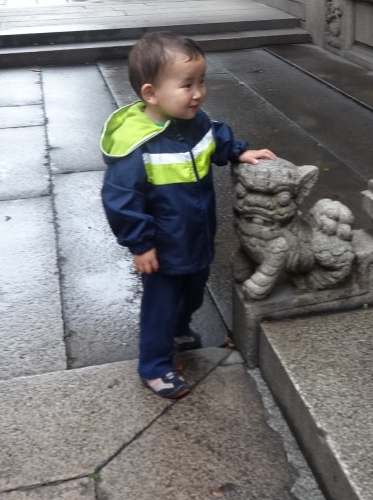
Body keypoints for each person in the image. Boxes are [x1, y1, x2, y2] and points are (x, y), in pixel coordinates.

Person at [100, 32, 276, 399]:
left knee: (193, 293)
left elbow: (215, 138)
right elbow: (121, 199)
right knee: (160, 306)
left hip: (195, 234)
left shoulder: (195, 123)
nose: (198, 93)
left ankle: (180, 329)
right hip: (162, 248)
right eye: (186, 85)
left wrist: (238, 151)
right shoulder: (138, 146)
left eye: (201, 81)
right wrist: (141, 243)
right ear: (151, 94)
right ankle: (155, 365)